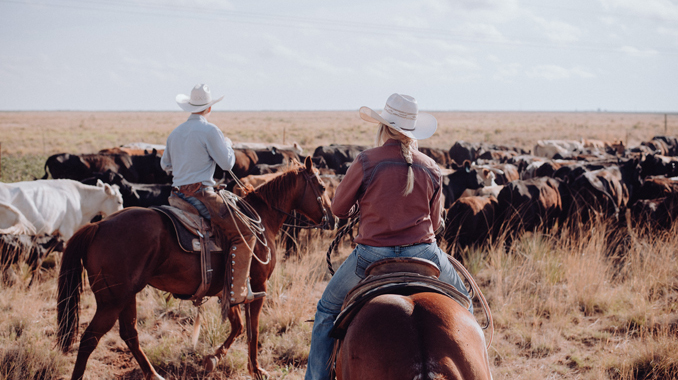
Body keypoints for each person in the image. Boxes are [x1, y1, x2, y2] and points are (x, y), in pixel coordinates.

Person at [305, 93, 472, 380]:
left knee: (326, 311)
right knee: (466, 304)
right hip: (424, 253)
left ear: (384, 127)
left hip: (371, 255)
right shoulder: (431, 167)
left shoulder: (366, 161)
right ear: (412, 130)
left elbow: (339, 209)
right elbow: (434, 222)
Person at [160, 83, 265, 310]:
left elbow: (165, 164)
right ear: (209, 108)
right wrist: (226, 144)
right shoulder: (210, 131)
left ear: (189, 106)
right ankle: (237, 292)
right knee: (245, 233)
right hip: (202, 196)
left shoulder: (175, 132)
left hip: (177, 196)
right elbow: (228, 163)